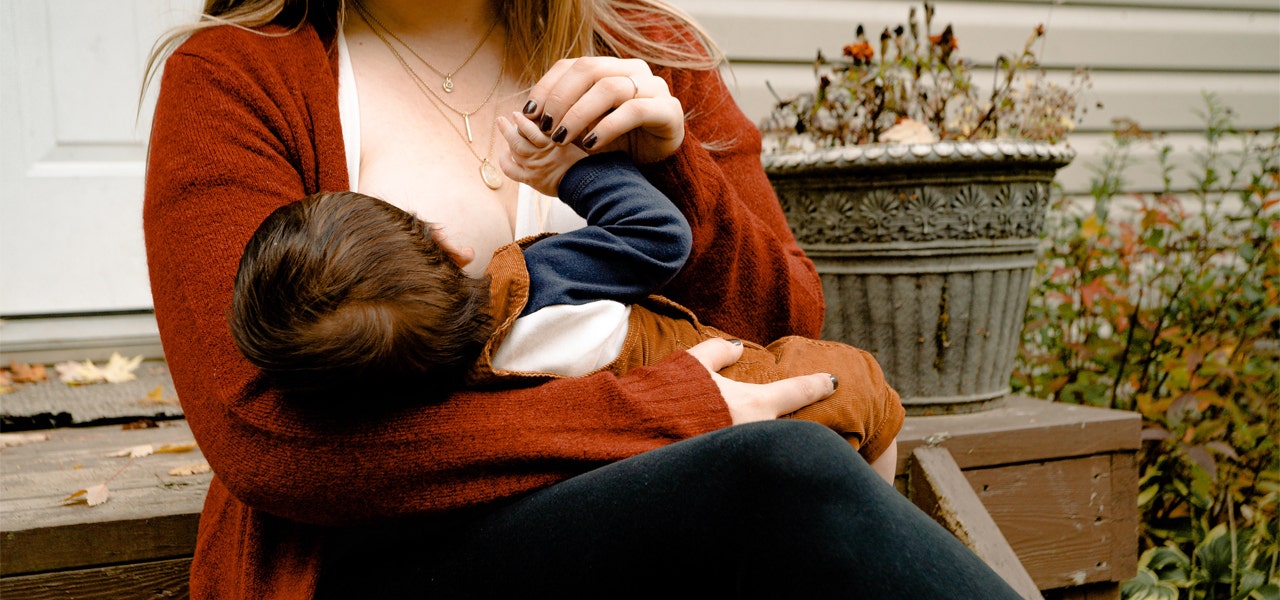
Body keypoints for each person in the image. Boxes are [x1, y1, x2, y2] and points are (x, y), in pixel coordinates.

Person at [142, 0, 1023, 597]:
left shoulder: (645, 45)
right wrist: (665, 411)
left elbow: (782, 336)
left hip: (664, 519)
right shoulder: (236, 76)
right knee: (780, 474)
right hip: (396, 550)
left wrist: (673, 167)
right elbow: (266, 437)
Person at [228, 129, 903, 479]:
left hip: (665, 465)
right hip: (749, 386)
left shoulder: (433, 396)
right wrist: (573, 170)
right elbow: (657, 238)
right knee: (869, 396)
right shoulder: (535, 282)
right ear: (448, 246)